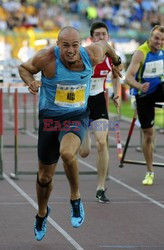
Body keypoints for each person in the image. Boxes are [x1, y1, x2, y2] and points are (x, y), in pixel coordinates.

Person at [18, 26, 122, 241]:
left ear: (80, 45)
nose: (71, 50)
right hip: (50, 118)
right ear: (58, 45)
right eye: (65, 45)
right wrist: (32, 82)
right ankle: (42, 213)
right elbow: (24, 68)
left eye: (75, 45)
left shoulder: (91, 54)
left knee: (67, 154)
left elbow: (106, 46)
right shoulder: (46, 58)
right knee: (44, 177)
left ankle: (75, 197)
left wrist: (118, 62)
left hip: (76, 116)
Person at [79, 21, 121, 203]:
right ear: (92, 38)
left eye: (104, 34)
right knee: (84, 152)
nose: (101, 38)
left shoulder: (112, 56)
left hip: (98, 101)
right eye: (98, 35)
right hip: (81, 102)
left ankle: (101, 188)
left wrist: (117, 95)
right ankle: (84, 132)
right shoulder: (85, 54)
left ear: (108, 37)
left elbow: (116, 75)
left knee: (102, 143)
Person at [125, 25, 164, 186]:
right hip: (144, 94)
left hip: (159, 89)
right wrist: (139, 86)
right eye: (156, 38)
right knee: (148, 134)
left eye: (162, 39)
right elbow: (128, 77)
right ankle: (149, 171)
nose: (159, 42)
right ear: (150, 38)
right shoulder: (141, 52)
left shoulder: (162, 51)